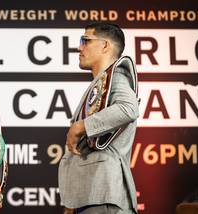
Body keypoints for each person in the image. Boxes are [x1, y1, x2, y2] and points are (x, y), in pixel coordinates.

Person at [58, 22, 139, 214]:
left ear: (105, 46)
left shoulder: (117, 76)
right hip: (93, 194)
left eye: (85, 40)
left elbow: (128, 108)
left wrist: (80, 126)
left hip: (104, 194)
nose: (79, 47)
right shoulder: (103, 83)